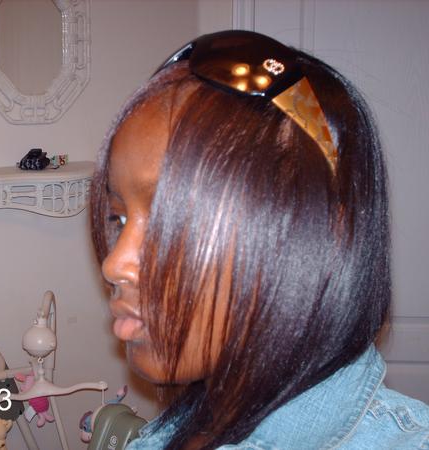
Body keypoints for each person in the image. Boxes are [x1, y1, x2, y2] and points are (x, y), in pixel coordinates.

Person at [90, 31, 429, 449]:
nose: (114, 264)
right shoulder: (176, 431)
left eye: (168, 221)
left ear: (319, 237)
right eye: (118, 217)